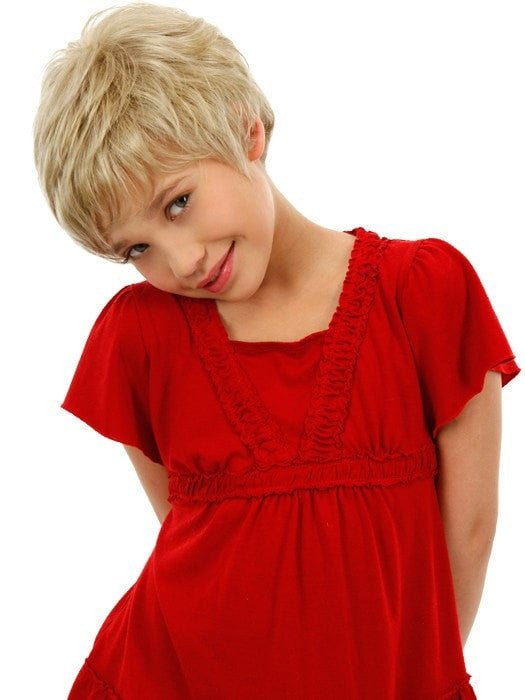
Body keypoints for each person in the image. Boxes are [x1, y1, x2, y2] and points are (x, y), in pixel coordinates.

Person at [33, 3, 520, 698]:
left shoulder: (423, 293)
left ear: (247, 130)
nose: (182, 262)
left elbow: (469, 529)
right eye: (136, 248)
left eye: (178, 203)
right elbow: (188, 535)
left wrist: (414, 674)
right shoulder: (142, 336)